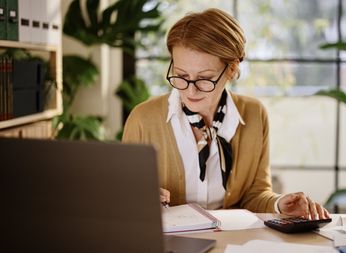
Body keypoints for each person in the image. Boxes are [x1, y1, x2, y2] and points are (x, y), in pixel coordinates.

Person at [122, 8, 330, 220]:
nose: (190, 90)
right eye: (181, 75)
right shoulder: (143, 119)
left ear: (231, 69)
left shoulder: (254, 115)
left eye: (205, 78)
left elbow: (255, 194)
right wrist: (139, 199)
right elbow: (123, 197)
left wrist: (278, 205)